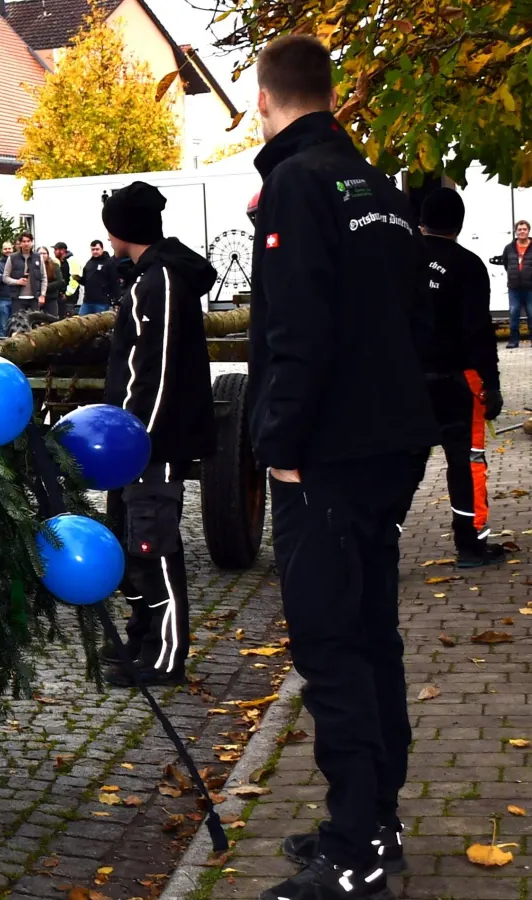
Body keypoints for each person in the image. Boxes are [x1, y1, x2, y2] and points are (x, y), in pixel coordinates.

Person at [246, 36, 437, 900]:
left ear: (264, 98)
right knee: (371, 638)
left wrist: (279, 453)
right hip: (390, 444)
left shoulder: (296, 183)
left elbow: (298, 334)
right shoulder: (380, 189)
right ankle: (372, 820)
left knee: (332, 649)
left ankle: (356, 852)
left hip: (327, 457)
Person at [97, 182, 216, 688]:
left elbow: (156, 371)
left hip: (152, 445)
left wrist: (136, 438)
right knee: (133, 543)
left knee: (155, 547)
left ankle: (166, 658)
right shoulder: (147, 276)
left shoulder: (160, 281)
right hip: (137, 446)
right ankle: (143, 637)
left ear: (122, 229)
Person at [419, 189, 505, 568]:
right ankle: (470, 546)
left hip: (404, 380)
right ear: (459, 224)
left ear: (421, 220)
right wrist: (492, 382)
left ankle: (381, 545)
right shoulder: (468, 265)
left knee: (400, 464)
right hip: (457, 380)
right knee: (466, 462)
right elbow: (478, 330)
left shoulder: (396, 259)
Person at [492, 220, 531, 348]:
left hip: (530, 288)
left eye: (524, 229)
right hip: (514, 288)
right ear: (516, 231)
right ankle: (514, 341)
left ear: (528, 231)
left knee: (531, 313)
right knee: (514, 313)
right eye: (519, 229)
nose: (522, 231)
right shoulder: (509, 248)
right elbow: (506, 264)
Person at [2, 233, 44, 315]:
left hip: (34, 298)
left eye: (28, 241)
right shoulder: (12, 257)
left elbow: (44, 277)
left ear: (32, 242)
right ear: (20, 243)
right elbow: (5, 277)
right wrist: (17, 282)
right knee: (18, 325)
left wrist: (42, 295)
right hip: (18, 298)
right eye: (24, 241)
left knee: (35, 325)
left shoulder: (38, 257)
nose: (26, 244)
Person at [79, 240, 118, 315]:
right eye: (93, 249)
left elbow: (114, 282)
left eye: (97, 249)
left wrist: (115, 300)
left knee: (100, 324)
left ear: (102, 249)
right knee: (82, 321)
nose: (95, 251)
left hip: (102, 301)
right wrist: (79, 279)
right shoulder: (89, 263)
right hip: (87, 300)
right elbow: (86, 281)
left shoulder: (109, 262)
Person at [0, 241, 15, 336]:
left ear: (12, 249)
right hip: (3, 299)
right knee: (2, 326)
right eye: (5, 248)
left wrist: (4, 276)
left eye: (9, 248)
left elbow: (20, 277)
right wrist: (10, 277)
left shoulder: (17, 262)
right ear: (2, 250)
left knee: (15, 327)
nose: (7, 250)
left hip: (15, 298)